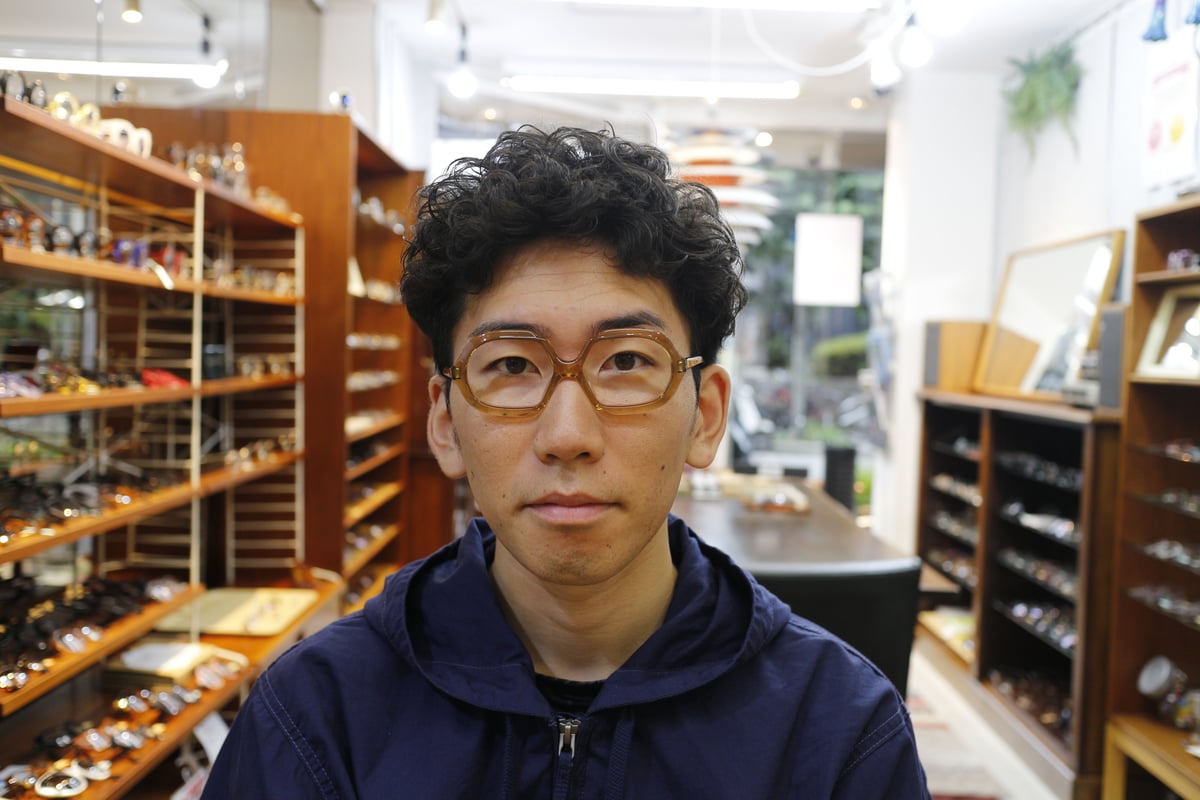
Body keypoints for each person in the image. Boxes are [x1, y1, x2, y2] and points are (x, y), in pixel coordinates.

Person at [201, 125, 930, 799]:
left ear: (705, 417)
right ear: (445, 423)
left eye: (627, 362)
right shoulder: (314, 720)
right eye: (512, 364)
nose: (568, 434)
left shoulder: (838, 732)